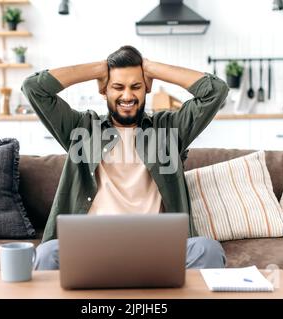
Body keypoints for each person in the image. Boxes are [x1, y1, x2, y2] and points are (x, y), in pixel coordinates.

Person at [21, 45, 229, 270]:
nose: (127, 95)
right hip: (90, 246)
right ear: (104, 90)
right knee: (47, 253)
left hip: (158, 247)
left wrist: (151, 68)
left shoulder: (170, 130)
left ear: (146, 87)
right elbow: (33, 88)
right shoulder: (81, 129)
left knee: (208, 250)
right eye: (118, 87)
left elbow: (215, 91)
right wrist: (97, 69)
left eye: (136, 86)